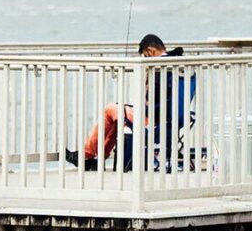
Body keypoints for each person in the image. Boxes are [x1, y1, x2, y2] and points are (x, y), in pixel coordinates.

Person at [67, 34, 190, 171]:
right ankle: (92, 158)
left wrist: (147, 82)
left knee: (110, 109)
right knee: (117, 116)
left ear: (151, 51)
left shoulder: (158, 67)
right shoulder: (177, 64)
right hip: (173, 117)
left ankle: (87, 155)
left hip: (154, 119)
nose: (145, 60)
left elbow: (151, 100)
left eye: (145, 56)